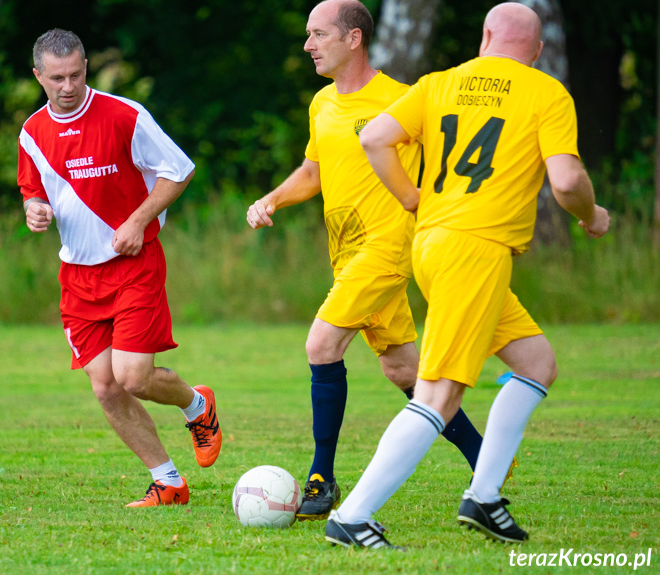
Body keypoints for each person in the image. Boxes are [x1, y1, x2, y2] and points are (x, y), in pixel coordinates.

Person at [325, 2, 610, 548]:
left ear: (485, 37)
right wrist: (591, 217)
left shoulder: (439, 83)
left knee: (536, 363)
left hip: (433, 244)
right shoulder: (546, 92)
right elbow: (569, 181)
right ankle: (353, 516)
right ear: (538, 49)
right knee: (439, 394)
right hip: (476, 252)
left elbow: (374, 139)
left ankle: (483, 497)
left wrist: (412, 197)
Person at [246, 0, 489, 522]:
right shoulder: (321, 103)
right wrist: (272, 199)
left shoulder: (402, 100)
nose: (308, 45)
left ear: (353, 39)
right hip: (346, 252)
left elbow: (453, 161)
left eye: (318, 35)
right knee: (402, 368)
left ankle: (321, 475)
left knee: (321, 343)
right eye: (308, 36)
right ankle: (485, 459)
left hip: (388, 248)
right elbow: (314, 172)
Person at [17, 29, 222, 508]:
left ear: (86, 66)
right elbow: (34, 190)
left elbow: (180, 169)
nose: (68, 86)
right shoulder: (32, 132)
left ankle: (197, 404)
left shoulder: (123, 114)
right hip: (78, 276)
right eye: (56, 78)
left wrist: (138, 219)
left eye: (76, 74)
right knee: (106, 388)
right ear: (38, 77)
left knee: (131, 377)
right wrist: (34, 210)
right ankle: (168, 482)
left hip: (133, 265)